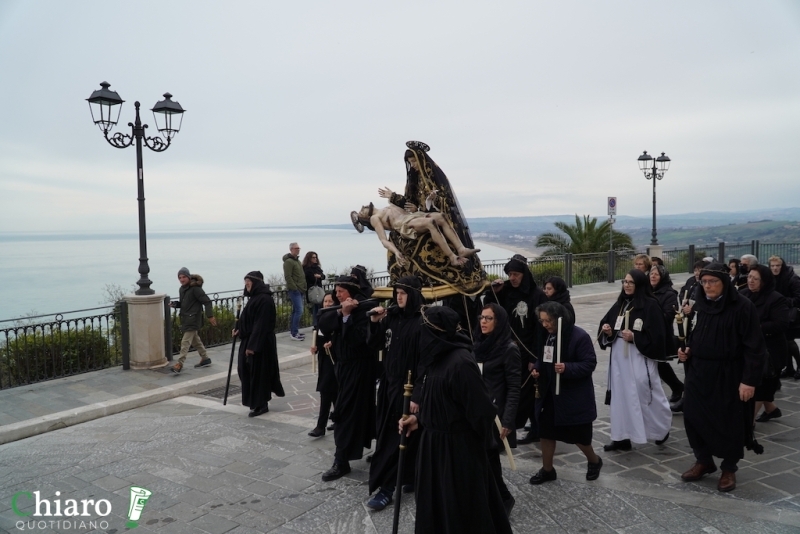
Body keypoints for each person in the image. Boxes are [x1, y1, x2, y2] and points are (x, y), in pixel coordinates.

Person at [398, 306, 512, 534]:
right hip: (433, 448)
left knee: (460, 512)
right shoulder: (435, 359)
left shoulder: (461, 363)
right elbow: (440, 402)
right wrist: (419, 419)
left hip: (458, 453)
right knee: (435, 509)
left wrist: (468, 446)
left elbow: (481, 412)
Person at [678, 262, 767, 492]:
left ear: (725, 283)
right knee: (694, 417)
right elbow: (695, 334)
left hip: (729, 374)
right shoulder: (700, 306)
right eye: (704, 282)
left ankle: (729, 468)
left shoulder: (742, 307)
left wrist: (749, 381)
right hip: (699, 373)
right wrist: (688, 350)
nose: (707, 286)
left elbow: (755, 348)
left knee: (729, 422)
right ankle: (704, 460)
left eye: (713, 282)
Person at [364, 276, 425, 511]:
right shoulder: (391, 318)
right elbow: (376, 345)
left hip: (409, 391)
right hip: (390, 387)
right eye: (396, 292)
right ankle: (397, 480)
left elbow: (425, 363)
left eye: (403, 292)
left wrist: (418, 395)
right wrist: (375, 323)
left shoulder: (422, 322)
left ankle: (390, 486)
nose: (398, 296)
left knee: (402, 439)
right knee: (388, 436)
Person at [529, 301, 602, 485]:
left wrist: (567, 368)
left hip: (572, 397)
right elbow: (543, 357)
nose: (545, 325)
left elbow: (589, 363)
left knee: (579, 436)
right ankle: (547, 469)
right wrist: (538, 368)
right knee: (546, 432)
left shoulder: (579, 336)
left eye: (549, 321)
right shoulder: (547, 336)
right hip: (550, 394)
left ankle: (594, 460)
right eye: (542, 321)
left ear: (559, 319)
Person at [598, 269, 672, 451]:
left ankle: (661, 428)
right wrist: (608, 331)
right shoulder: (620, 304)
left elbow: (658, 335)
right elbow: (606, 324)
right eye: (625, 281)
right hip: (619, 358)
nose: (627, 285)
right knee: (620, 396)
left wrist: (635, 338)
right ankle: (621, 437)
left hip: (640, 356)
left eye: (631, 282)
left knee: (643, 390)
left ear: (639, 285)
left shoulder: (650, 305)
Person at [317, 268, 377, 482]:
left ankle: (341, 460)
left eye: (340, 291)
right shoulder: (340, 308)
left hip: (359, 369)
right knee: (352, 411)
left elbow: (360, 339)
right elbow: (322, 322)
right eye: (336, 290)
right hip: (342, 368)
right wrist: (342, 314)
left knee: (344, 413)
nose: (337, 295)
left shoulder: (365, 308)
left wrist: (348, 316)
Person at [488, 254, 547, 444]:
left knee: (526, 393)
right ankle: (511, 430)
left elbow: (540, 328)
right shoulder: (505, 291)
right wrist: (493, 291)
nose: (512, 278)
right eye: (510, 274)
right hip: (506, 351)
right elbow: (491, 308)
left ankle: (532, 428)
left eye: (516, 274)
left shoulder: (537, 295)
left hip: (527, 352)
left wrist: (534, 356)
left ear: (524, 274)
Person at [473, 303, 520, 516]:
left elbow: (513, 387)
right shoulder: (477, 344)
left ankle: (503, 498)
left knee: (490, 459)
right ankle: (492, 497)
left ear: (498, 322)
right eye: (481, 317)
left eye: (488, 318)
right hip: (477, 412)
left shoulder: (509, 349)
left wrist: (508, 420)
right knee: (481, 459)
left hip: (496, 416)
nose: (483, 322)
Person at [352, 202, 479, 267]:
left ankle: (461, 249)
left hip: (412, 216)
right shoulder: (375, 218)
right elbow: (383, 240)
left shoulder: (387, 206)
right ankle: (452, 257)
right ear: (365, 218)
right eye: (361, 211)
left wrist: (414, 208)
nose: (363, 206)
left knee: (441, 216)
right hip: (404, 225)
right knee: (430, 222)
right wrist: (396, 252)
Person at [741, 265, 790, 423]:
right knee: (760, 385)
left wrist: (755, 328)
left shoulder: (776, 299)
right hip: (747, 349)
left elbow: (781, 324)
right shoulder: (742, 295)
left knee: (761, 387)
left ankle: (747, 424)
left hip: (770, 351)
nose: (751, 281)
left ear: (765, 281)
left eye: (756, 279)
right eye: (749, 277)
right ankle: (772, 410)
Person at [234, 271, 285, 417]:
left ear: (256, 283)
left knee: (259, 374)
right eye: (245, 283)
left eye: (248, 282)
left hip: (259, 344)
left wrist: (252, 347)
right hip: (250, 340)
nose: (246, 285)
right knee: (245, 371)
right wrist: (238, 330)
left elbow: (261, 325)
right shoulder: (255, 298)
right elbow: (249, 320)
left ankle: (261, 404)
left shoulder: (264, 300)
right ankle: (254, 402)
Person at [170, 267, 217, 374]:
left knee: (185, 342)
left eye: (184, 277)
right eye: (180, 277)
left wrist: (210, 316)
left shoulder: (196, 289)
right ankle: (205, 358)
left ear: (188, 277)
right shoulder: (182, 289)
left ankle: (179, 364)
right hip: (186, 319)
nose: (181, 279)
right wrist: (175, 304)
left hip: (193, 319)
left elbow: (207, 302)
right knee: (196, 341)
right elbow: (185, 304)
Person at [649, 265, 684, 405]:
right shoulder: (646, 291)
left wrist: (649, 317)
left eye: (656, 274)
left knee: (659, 364)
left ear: (662, 277)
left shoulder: (670, 294)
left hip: (660, 335)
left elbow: (668, 316)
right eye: (651, 274)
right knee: (656, 364)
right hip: (645, 334)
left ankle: (676, 386)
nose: (653, 276)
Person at [308, 291, 338, 437]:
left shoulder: (337, 318)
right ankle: (328, 423)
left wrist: (333, 343)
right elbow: (318, 338)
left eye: (330, 302)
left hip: (335, 360)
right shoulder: (320, 317)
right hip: (324, 360)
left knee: (331, 392)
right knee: (329, 392)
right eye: (325, 302)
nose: (327, 304)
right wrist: (316, 347)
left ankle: (325, 425)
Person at [769, 256, 800, 379]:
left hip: (790, 315)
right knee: (783, 342)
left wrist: (780, 301)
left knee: (789, 341)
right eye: (772, 266)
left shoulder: (793, 278)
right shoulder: (770, 279)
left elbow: (798, 299)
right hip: (777, 315)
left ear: (783, 266)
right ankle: (789, 368)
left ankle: (799, 365)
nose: (775, 268)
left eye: (778, 266)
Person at [283, 242, 307, 341]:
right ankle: (294, 333)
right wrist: (294, 288)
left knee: (295, 311)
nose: (298, 249)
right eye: (296, 248)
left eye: (299, 248)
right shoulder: (288, 262)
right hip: (295, 290)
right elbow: (288, 277)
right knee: (299, 311)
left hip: (300, 289)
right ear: (291, 249)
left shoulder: (297, 261)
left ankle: (294, 331)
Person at [302, 251, 326, 327]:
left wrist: (319, 276)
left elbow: (323, 276)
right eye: (313, 257)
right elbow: (310, 278)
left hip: (319, 289)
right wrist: (318, 277)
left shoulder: (317, 267)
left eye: (316, 257)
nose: (315, 259)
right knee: (316, 306)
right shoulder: (306, 268)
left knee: (319, 306)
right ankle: (316, 324)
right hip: (312, 289)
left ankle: (319, 323)